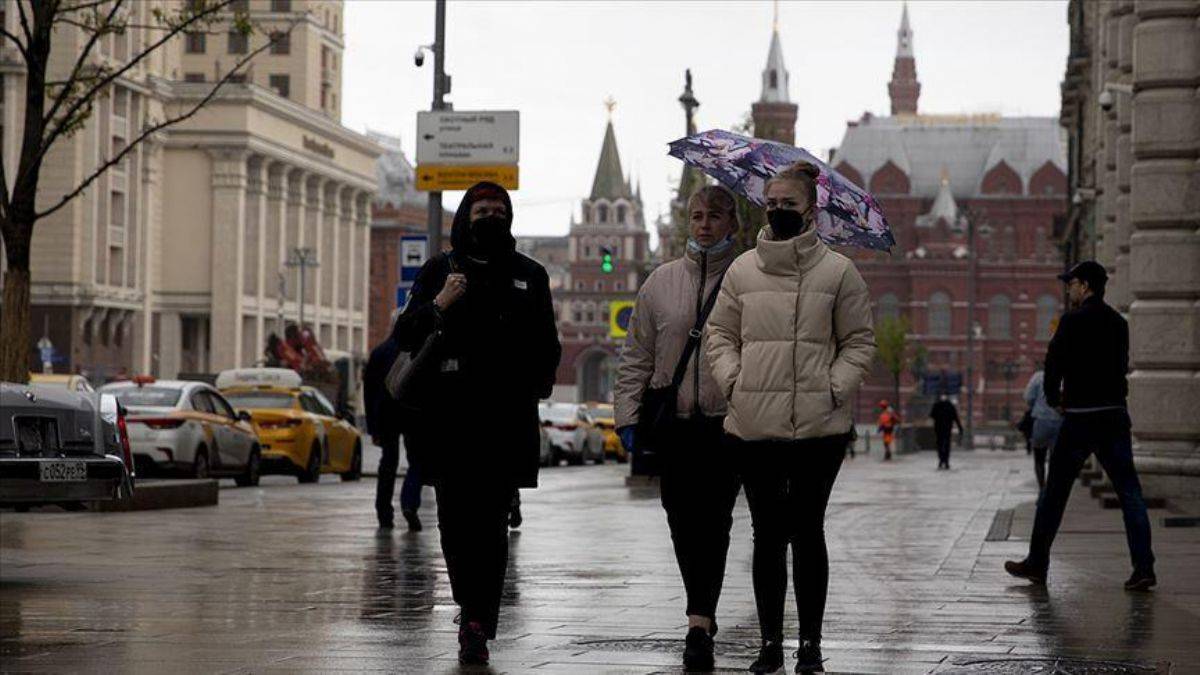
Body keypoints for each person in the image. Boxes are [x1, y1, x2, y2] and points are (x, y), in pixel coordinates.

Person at [706, 161, 876, 673]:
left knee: (807, 531)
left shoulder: (839, 271)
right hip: (754, 424)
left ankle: (809, 644)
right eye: (772, 204)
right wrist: (735, 381)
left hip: (818, 430)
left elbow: (859, 342)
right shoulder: (741, 270)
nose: (779, 212)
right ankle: (770, 644)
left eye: (789, 205)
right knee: (766, 534)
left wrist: (833, 387)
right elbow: (719, 336)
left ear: (811, 210)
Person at [390, 181, 560, 665]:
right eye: (482, 209)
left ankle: (477, 621)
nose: (491, 217)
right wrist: (441, 301)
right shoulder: (439, 271)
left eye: (499, 210)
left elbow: (548, 344)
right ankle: (469, 603)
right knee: (454, 523)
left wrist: (535, 381)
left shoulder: (530, 274)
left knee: (491, 527)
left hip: (505, 421)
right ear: (465, 216)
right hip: (448, 420)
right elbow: (405, 333)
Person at [614, 185, 742, 672]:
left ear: (732, 222)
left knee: (716, 522)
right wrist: (627, 416)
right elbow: (637, 356)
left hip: (726, 424)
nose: (704, 224)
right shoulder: (660, 282)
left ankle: (699, 620)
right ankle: (700, 609)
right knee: (681, 522)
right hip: (674, 425)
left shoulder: (748, 278)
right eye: (696, 216)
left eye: (714, 216)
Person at [1005, 260, 1156, 591]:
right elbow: (1121, 366)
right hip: (1114, 415)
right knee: (1130, 492)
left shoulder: (1071, 321)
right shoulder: (1119, 323)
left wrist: (1055, 397)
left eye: (1072, 283)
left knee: (1054, 493)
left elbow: (1053, 363)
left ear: (1085, 286)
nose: (1068, 288)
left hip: (1080, 418)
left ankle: (1037, 563)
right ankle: (1143, 568)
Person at [363, 312, 423, 532]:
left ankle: (384, 513)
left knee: (388, 462)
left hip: (385, 415)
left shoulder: (379, 352)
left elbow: (369, 393)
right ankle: (409, 503)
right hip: (412, 413)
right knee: (416, 460)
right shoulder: (416, 350)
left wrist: (372, 426)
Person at [1023, 366, 1061, 492]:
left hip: (1041, 422)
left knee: (1039, 458)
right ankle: (1052, 488)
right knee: (1056, 460)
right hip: (1061, 423)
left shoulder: (1039, 377)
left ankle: (1042, 489)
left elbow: (1028, 397)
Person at [928, 394, 963, 470]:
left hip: (938, 429)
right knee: (946, 445)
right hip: (947, 429)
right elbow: (956, 418)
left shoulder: (937, 405)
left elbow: (931, 415)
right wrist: (960, 428)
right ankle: (946, 461)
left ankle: (941, 460)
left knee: (939, 445)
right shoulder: (950, 406)